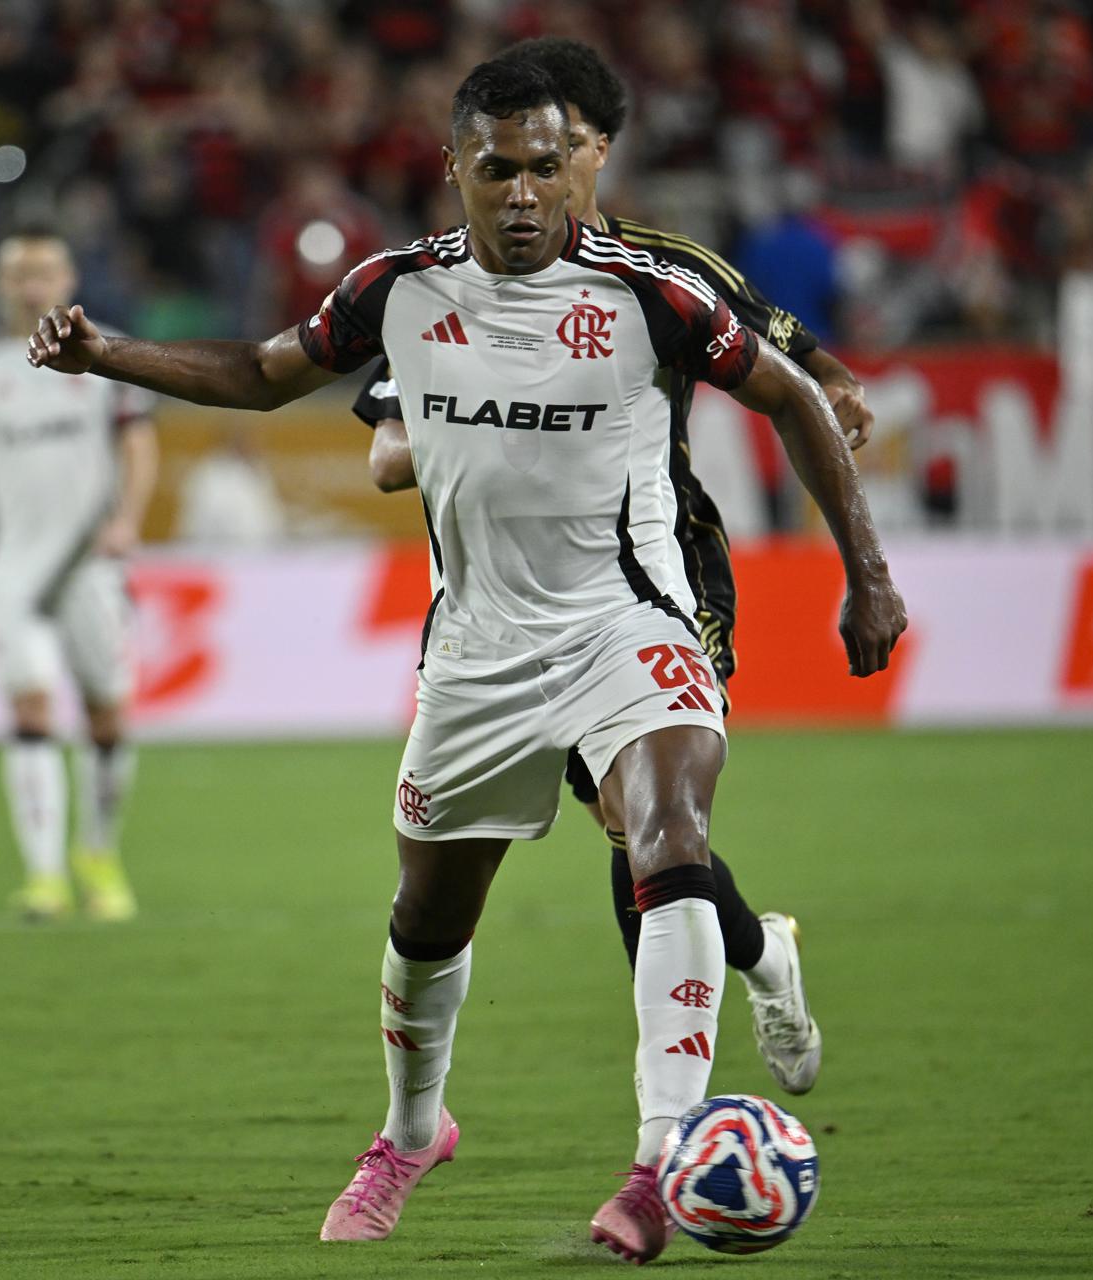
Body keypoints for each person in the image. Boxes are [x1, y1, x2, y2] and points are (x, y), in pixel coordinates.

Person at [25, 61, 906, 1264]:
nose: (526, 192)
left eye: (548, 165)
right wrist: (106, 353)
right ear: (458, 170)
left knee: (666, 838)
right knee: (429, 916)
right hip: (479, 648)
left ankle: (659, 1160)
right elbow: (263, 374)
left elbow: (797, 394)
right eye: (500, 169)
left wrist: (867, 572)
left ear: (586, 164)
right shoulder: (398, 289)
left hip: (631, 618)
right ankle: (410, 1131)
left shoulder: (653, 291)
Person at [351, 36, 871, 1112]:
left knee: (643, 834)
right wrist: (433, 433)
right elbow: (387, 431)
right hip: (511, 594)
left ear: (597, 153)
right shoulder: (450, 275)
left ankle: (671, 1125)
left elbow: (799, 361)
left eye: (574, 149)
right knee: (641, 839)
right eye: (532, 155)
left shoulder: (663, 271)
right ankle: (757, 951)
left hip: (662, 570)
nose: (553, 173)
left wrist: (838, 392)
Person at [0, 227, 157, 924]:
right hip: (9, 565)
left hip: (89, 569)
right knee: (30, 710)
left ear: (69, 278)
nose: (31, 284)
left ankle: (98, 853)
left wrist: (127, 521)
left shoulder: (104, 353)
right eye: (18, 272)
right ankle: (44, 876)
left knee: (108, 715)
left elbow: (140, 443)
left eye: (43, 270)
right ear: (0, 283)